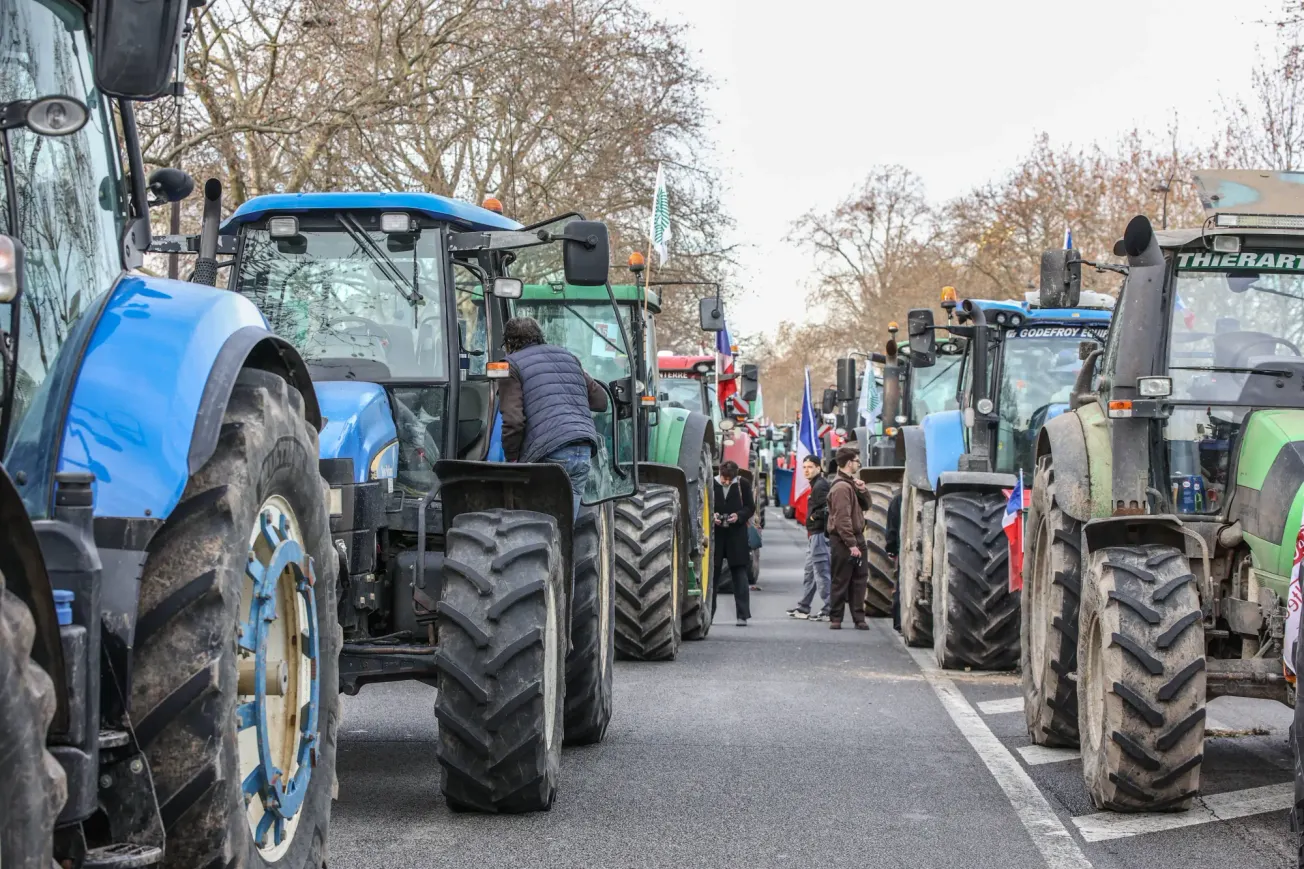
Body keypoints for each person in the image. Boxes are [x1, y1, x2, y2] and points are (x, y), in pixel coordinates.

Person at [498, 316, 609, 519]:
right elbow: (601, 401)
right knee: (564, 529)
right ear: (539, 337)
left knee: (537, 524)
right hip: (583, 450)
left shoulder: (511, 365)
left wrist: (512, 459)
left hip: (549, 453)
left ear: (510, 343)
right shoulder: (569, 357)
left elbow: (513, 421)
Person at [826, 445, 871, 630]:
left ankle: (858, 617)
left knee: (859, 579)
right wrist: (852, 544)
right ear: (848, 463)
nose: (858, 464)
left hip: (856, 537)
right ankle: (836, 618)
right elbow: (842, 519)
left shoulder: (852, 484)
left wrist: (862, 490)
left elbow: (867, 505)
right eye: (856, 461)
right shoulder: (842, 488)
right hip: (845, 541)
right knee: (841, 580)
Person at [787, 454, 831, 621]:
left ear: (818, 468)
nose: (806, 470)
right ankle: (804, 607)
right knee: (810, 573)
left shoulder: (820, 486)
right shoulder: (816, 484)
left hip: (819, 535)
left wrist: (813, 518)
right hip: (814, 535)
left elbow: (828, 508)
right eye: (804, 467)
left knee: (821, 572)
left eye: (810, 467)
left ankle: (829, 609)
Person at [712, 460, 756, 626]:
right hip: (716, 535)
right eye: (724, 479)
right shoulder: (711, 483)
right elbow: (704, 505)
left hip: (736, 534)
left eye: (730, 479)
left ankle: (742, 615)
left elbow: (750, 507)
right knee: (713, 576)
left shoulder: (742, 484)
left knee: (739, 575)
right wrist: (713, 516)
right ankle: (709, 614)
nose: (727, 482)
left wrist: (739, 516)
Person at [886, 490, 902, 631]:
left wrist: (890, 547)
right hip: (901, 547)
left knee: (900, 584)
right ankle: (898, 621)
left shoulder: (898, 500)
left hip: (901, 546)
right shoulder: (899, 501)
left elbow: (891, 527)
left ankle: (899, 622)